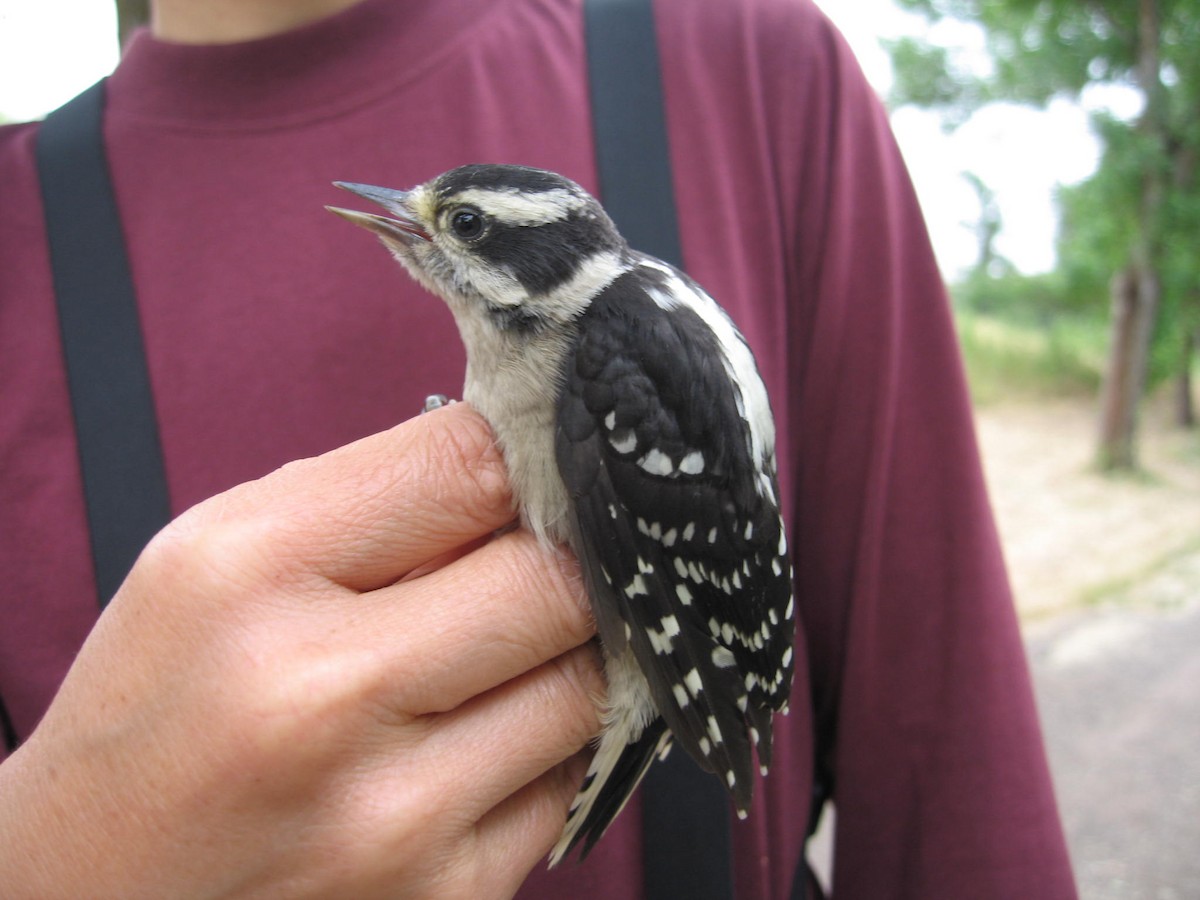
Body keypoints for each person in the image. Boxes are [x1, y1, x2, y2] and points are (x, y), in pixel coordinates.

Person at [0, 0, 1078, 896]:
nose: (416, 229)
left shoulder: (738, 101)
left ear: (535, 263)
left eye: (460, 226)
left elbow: (957, 778)